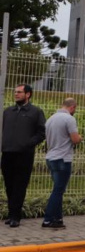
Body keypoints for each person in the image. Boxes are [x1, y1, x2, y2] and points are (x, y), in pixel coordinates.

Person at [1, 84, 46, 228]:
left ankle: (16, 217)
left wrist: (28, 143)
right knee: (9, 185)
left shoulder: (36, 112)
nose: (16, 94)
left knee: (20, 186)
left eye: (19, 92)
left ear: (28, 94)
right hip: (7, 153)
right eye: (15, 92)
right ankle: (11, 214)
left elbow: (41, 133)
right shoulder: (8, 112)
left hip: (24, 155)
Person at [42, 98, 82, 229]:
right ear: (72, 107)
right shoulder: (69, 119)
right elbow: (75, 139)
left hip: (51, 158)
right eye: (75, 109)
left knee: (58, 189)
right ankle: (48, 220)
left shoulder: (51, 118)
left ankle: (58, 219)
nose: (74, 111)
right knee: (58, 191)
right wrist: (80, 137)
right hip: (63, 159)